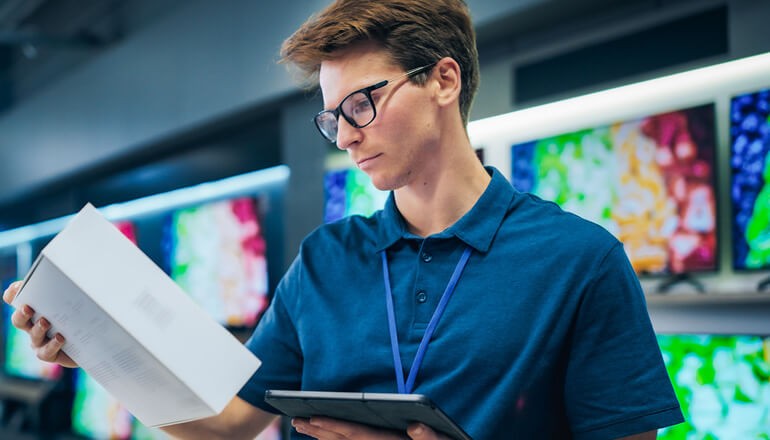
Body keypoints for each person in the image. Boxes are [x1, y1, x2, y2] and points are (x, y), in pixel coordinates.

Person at [3, 0, 684, 438]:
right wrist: (95, 350)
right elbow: (231, 417)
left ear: (443, 81)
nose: (347, 136)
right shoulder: (325, 259)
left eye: (362, 104)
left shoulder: (578, 259)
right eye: (332, 118)